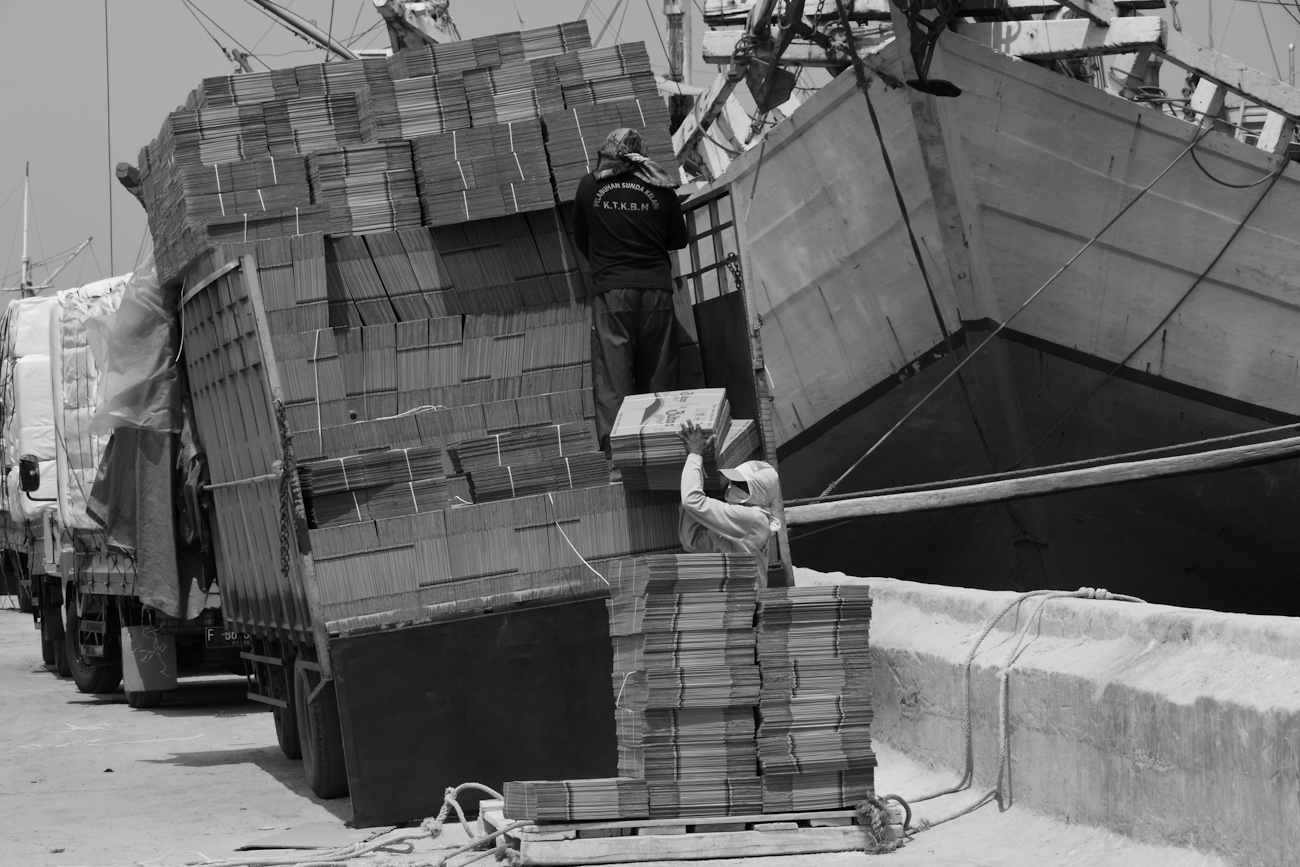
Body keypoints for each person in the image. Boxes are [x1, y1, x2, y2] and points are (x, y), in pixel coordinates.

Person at [572, 128, 689, 455]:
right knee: (659, 374)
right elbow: (678, 240)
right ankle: (662, 450)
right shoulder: (660, 187)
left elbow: (582, 239)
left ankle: (619, 458)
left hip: (612, 294)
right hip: (656, 293)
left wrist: (608, 262)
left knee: (613, 377)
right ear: (641, 155)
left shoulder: (588, 185)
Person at [677, 419, 783, 579]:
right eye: (734, 480)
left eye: (741, 483)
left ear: (758, 492)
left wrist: (695, 455)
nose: (733, 485)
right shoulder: (744, 529)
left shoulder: (751, 519)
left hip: (743, 599)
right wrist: (693, 471)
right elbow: (692, 541)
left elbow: (692, 501)